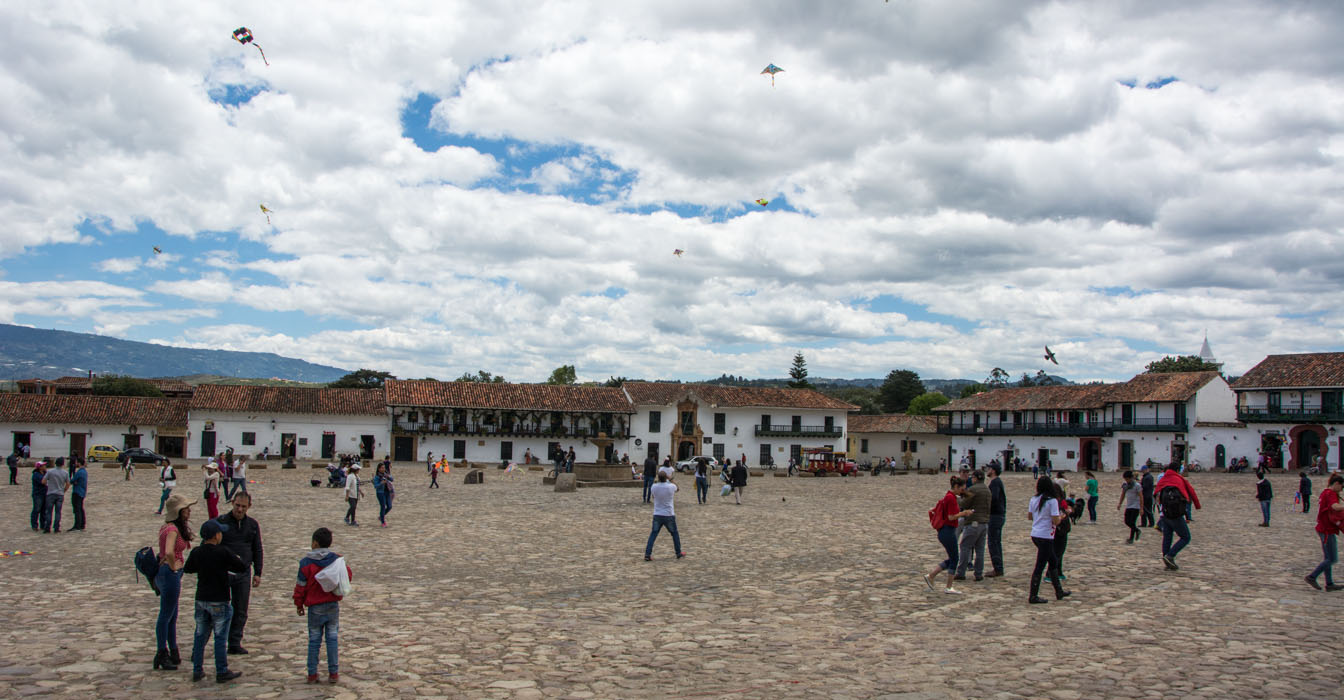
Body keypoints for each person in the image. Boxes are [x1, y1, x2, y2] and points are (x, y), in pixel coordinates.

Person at [183, 519, 247, 683]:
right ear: (216, 535)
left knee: (200, 634)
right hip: (219, 599)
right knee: (220, 637)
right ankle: (222, 670)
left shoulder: (198, 552)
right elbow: (241, 567)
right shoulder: (223, 552)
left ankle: (197, 670)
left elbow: (188, 568)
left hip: (202, 598)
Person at [294, 527, 353, 683]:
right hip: (332, 605)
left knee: (314, 639)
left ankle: (312, 673)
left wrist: (298, 603)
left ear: (314, 543)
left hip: (315, 607)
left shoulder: (306, 563)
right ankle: (333, 673)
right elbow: (347, 575)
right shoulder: (335, 560)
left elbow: (300, 586)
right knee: (332, 638)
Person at [216, 492, 264, 655]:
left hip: (243, 572)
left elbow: (257, 548)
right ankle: (218, 641)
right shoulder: (221, 523)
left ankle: (235, 641)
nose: (240, 509)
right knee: (219, 608)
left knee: (241, 608)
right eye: (237, 505)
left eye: (243, 506)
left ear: (249, 507)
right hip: (223, 571)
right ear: (232, 504)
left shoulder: (252, 525)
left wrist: (258, 572)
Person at [154, 493, 196, 670]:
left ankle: (173, 649)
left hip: (166, 573)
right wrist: (174, 566)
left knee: (171, 615)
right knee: (166, 615)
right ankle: (162, 652)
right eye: (186, 508)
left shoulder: (167, 527)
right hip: (170, 574)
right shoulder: (172, 530)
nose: (189, 510)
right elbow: (169, 552)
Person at [1026, 475, 1071, 604]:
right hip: (1046, 535)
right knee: (1040, 566)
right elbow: (1056, 521)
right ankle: (1033, 596)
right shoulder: (1052, 501)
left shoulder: (1034, 499)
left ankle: (1059, 591)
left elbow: (1030, 516)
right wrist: (1063, 516)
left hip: (1036, 534)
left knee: (1053, 561)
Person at [924, 476, 972, 595]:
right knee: (955, 558)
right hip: (948, 530)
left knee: (952, 557)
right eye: (962, 489)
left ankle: (932, 576)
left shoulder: (948, 496)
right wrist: (964, 513)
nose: (963, 492)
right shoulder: (950, 498)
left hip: (945, 531)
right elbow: (951, 516)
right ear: (956, 487)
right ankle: (948, 585)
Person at [1154, 465, 1201, 570]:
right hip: (1176, 513)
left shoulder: (1164, 479)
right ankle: (1170, 556)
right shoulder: (1179, 479)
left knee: (1167, 536)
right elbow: (1190, 492)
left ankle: (1166, 560)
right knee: (1185, 537)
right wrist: (1196, 506)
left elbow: (1155, 492)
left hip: (1165, 512)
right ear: (1177, 470)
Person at [1306, 474, 1344, 591]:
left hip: (1324, 528)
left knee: (1328, 558)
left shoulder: (1324, 492)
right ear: (1337, 484)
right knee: (1332, 559)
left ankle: (1329, 583)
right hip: (1326, 529)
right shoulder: (1331, 494)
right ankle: (1312, 576)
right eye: (1342, 487)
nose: (1342, 490)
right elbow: (1335, 506)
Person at [955, 470, 992, 581]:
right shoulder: (987, 490)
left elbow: (963, 503)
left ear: (975, 478)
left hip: (973, 522)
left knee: (965, 547)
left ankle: (961, 572)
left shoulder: (972, 489)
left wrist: (957, 498)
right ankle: (978, 573)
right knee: (980, 549)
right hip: (984, 523)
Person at [644, 473, 684, 561]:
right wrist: (671, 479)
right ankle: (678, 552)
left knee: (653, 534)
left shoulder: (654, 487)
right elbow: (678, 488)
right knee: (674, 534)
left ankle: (647, 554)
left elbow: (653, 496)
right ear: (666, 478)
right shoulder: (671, 486)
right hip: (668, 514)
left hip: (657, 513)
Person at [986, 465, 1006, 577]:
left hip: (995, 515)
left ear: (993, 470)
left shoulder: (995, 483)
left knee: (993, 542)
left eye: (989, 469)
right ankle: (998, 567)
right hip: (998, 515)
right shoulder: (997, 482)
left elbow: (994, 498)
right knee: (996, 542)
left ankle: (997, 568)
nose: (987, 471)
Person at [41, 456, 70, 533]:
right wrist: (64, 491)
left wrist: (48, 485)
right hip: (60, 494)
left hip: (51, 493)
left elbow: (43, 481)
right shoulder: (65, 473)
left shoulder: (50, 472)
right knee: (58, 512)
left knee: (49, 511)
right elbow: (67, 484)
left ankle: (47, 527)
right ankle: (56, 527)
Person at [1117, 470, 1143, 543]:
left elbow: (1141, 497)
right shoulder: (1125, 485)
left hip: (1136, 506)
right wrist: (1120, 503)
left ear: (1131, 478)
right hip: (1129, 505)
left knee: (1132, 521)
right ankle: (1137, 530)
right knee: (1127, 521)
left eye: (1127, 479)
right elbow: (1123, 494)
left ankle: (1131, 538)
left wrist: (1141, 508)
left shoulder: (1137, 485)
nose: (1126, 480)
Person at [373, 463, 394, 527]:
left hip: (388, 492)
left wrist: (388, 476)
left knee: (389, 506)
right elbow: (376, 486)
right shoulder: (377, 477)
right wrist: (381, 483)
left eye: (384, 468)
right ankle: (383, 521)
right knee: (383, 506)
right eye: (382, 468)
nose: (383, 469)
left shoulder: (385, 475)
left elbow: (392, 479)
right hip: (381, 493)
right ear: (379, 469)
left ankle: (381, 516)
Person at [70, 457, 88, 531]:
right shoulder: (84, 472)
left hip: (77, 492)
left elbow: (72, 480)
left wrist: (74, 482)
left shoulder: (79, 472)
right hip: (82, 492)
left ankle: (77, 525)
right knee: (80, 508)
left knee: (77, 509)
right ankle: (82, 524)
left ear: (79, 463)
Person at [30, 459, 47, 531]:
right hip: (38, 494)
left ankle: (43, 525)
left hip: (45, 493)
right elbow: (43, 482)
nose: (45, 466)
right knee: (37, 509)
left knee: (44, 510)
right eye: (43, 465)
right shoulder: (36, 475)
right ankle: (34, 525)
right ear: (40, 467)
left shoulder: (45, 473)